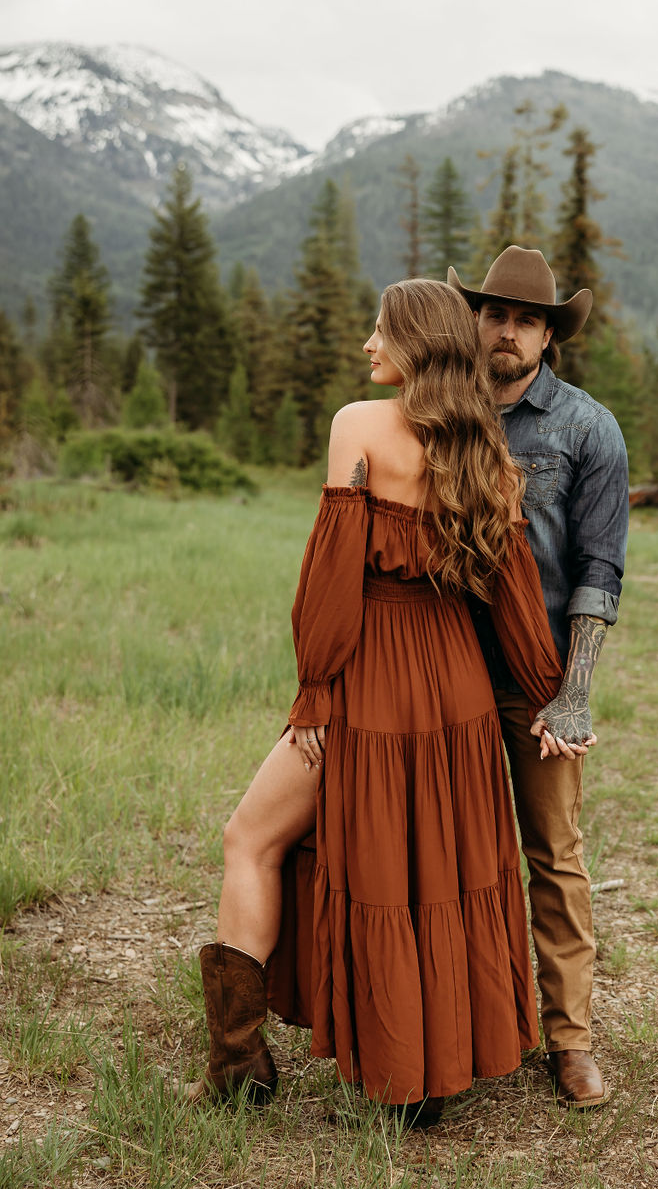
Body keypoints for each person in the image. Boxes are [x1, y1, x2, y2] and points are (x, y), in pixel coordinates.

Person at [185, 279, 569, 1122]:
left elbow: (331, 580)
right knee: (432, 873)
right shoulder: (491, 460)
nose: (367, 342)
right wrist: (552, 697)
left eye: (381, 329)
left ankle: (237, 1063)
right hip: (456, 689)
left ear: (416, 343)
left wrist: (316, 689)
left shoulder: (357, 427)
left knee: (250, 837)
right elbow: (514, 602)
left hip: (368, 679)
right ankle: (420, 1084)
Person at [447, 246, 630, 1109]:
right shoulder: (438, 414)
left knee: (552, 855)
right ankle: (460, 1027)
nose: (507, 331)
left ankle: (571, 1041)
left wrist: (576, 690)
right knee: (448, 855)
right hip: (442, 670)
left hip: (538, 677)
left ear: (550, 335)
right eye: (494, 314)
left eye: (526, 319)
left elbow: (599, 569)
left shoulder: (588, 430)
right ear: (474, 320)